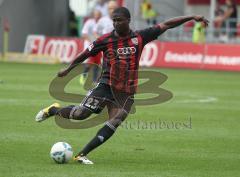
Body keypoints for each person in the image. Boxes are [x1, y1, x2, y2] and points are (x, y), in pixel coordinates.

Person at [35, 7, 208, 164]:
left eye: (119, 20)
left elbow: (167, 24)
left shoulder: (140, 37)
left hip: (126, 92)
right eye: (114, 20)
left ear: (128, 20)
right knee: (81, 114)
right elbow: (85, 53)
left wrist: (192, 16)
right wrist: (68, 68)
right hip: (105, 85)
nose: (116, 23)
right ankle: (53, 110)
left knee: (115, 121)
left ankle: (82, 154)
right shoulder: (105, 40)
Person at [79, 9, 102, 85]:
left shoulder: (102, 23)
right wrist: (91, 41)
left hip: (98, 45)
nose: (97, 17)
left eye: (98, 15)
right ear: (93, 15)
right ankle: (84, 75)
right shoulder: (89, 22)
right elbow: (84, 34)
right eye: (96, 15)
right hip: (89, 44)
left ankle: (94, 80)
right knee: (90, 61)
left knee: (97, 62)